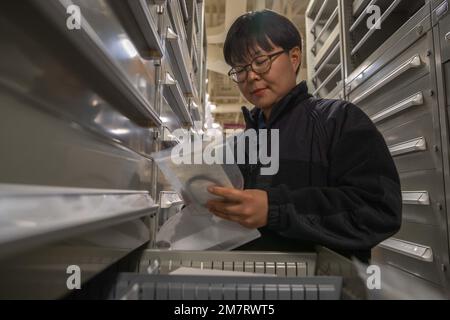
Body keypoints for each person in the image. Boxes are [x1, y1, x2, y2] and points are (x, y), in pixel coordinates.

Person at [206, 9, 402, 262]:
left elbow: (378, 210)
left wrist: (274, 209)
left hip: (324, 285)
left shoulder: (339, 121)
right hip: (248, 286)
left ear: (295, 57)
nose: (251, 76)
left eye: (260, 61)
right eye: (240, 68)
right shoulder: (235, 149)